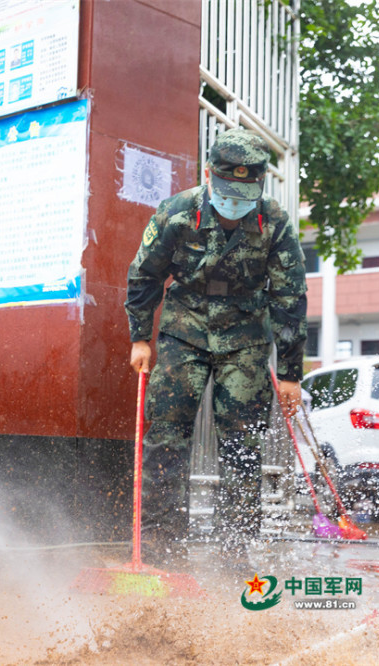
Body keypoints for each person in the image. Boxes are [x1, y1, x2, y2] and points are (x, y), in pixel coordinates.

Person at [125, 128, 307, 566]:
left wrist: (290, 374)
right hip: (183, 331)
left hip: (244, 337)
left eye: (246, 191)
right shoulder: (177, 212)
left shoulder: (275, 222)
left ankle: (235, 548)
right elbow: (144, 276)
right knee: (166, 437)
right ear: (209, 175)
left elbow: (289, 298)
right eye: (227, 189)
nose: (235, 201)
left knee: (243, 444)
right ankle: (159, 545)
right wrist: (139, 337)